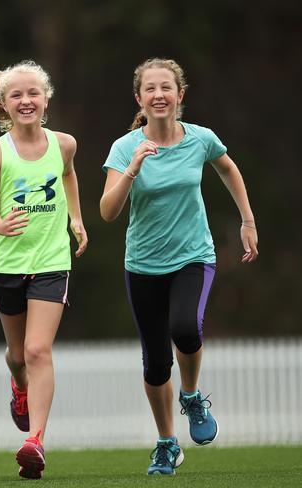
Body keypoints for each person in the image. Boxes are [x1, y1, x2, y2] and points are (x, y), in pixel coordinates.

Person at [100, 58, 259, 475]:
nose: (158, 95)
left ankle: (190, 395)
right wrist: (133, 168)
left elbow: (228, 168)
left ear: (179, 95)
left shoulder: (201, 139)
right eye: (150, 89)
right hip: (143, 265)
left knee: (185, 328)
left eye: (166, 87)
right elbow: (107, 212)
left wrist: (247, 220)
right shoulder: (124, 147)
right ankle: (167, 443)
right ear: (139, 98)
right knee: (155, 364)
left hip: (193, 257)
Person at [0, 60, 88, 479]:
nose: (25, 101)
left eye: (33, 93)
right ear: (3, 103)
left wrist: (75, 218)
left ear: (46, 99)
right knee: (18, 356)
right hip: (7, 263)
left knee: (38, 351)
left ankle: (35, 440)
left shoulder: (65, 144)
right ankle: (19, 387)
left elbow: (68, 176)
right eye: (16, 95)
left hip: (52, 260)